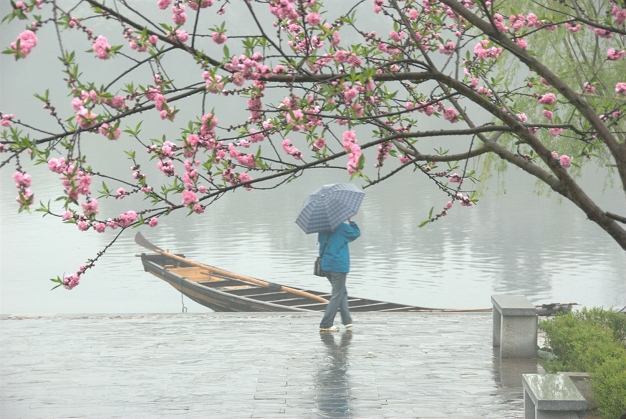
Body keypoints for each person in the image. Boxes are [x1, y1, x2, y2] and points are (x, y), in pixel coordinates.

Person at [318, 217, 361, 332]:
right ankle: (326, 323)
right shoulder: (342, 228)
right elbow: (356, 233)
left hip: (326, 265)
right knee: (337, 294)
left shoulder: (322, 228)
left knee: (342, 291)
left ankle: (347, 320)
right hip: (338, 266)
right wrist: (351, 221)